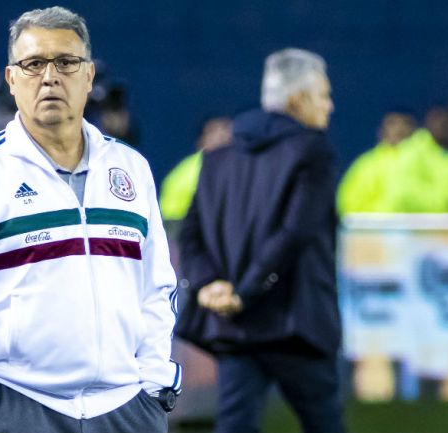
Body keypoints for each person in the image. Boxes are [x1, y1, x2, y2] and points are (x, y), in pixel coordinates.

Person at [0, 7, 180, 433]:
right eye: (34, 64)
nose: (50, 76)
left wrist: (153, 383)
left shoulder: (131, 167)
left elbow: (157, 288)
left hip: (127, 409)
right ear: (11, 79)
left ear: (89, 76)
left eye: (67, 63)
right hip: (18, 407)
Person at [176, 48, 344, 433]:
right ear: (299, 99)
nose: (330, 106)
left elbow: (191, 234)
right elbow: (295, 234)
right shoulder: (313, 151)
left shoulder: (217, 158)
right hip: (294, 323)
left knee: (235, 424)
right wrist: (245, 291)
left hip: (236, 326)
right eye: (323, 95)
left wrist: (210, 287)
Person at [337, 110, 416, 214]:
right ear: (381, 131)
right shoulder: (365, 165)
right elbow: (348, 205)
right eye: (392, 123)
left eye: (406, 123)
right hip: (373, 229)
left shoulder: (428, 163)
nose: (399, 128)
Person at [159, 117, 232, 222]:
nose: (222, 140)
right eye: (215, 135)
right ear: (202, 141)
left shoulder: (195, 164)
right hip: (178, 224)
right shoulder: (205, 166)